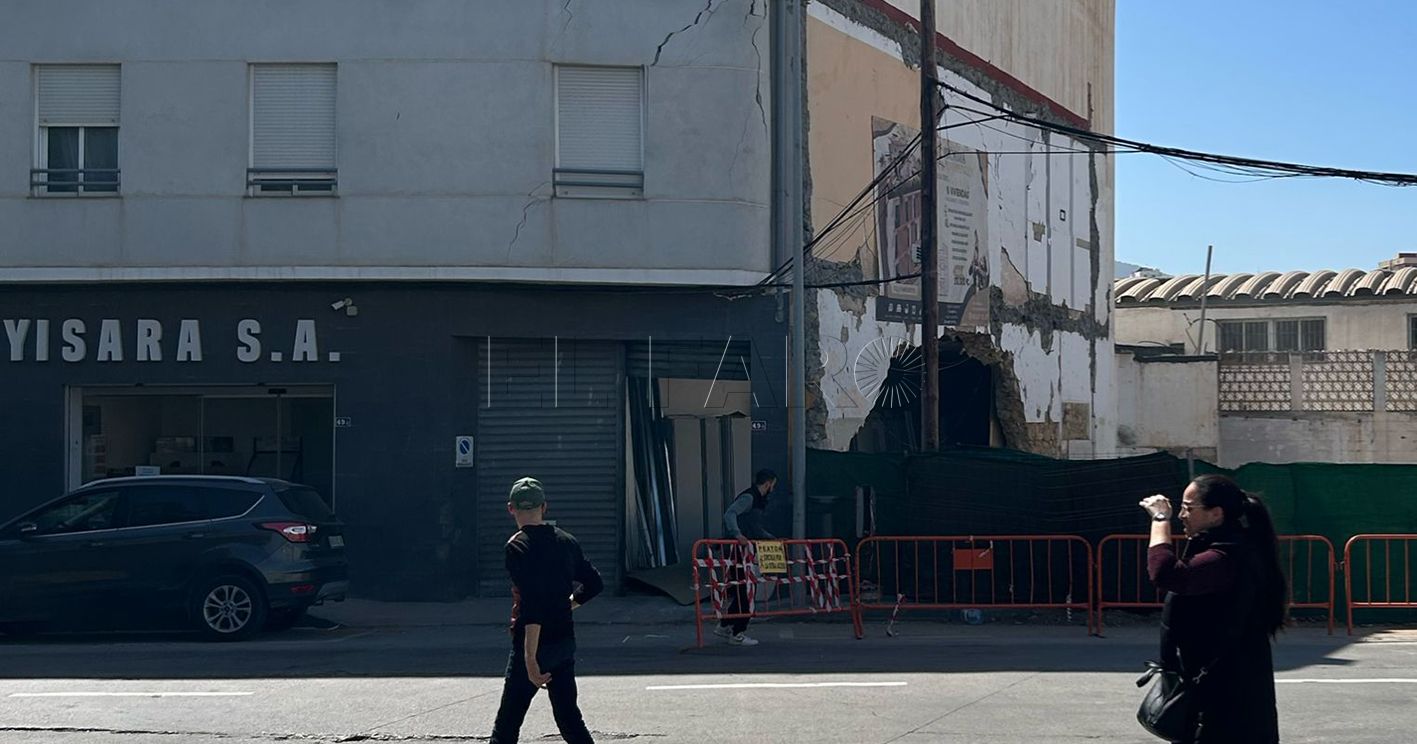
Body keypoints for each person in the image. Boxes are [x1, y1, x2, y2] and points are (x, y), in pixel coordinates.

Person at [1139, 474, 1286, 744]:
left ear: (1216, 513)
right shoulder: (1226, 547)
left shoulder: (1228, 556)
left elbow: (1166, 574)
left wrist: (1160, 520)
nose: (1180, 515)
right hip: (1219, 688)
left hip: (1229, 697)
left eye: (1188, 508)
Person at [489, 477, 603, 744]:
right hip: (563, 641)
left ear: (511, 508)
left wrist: (530, 658)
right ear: (544, 507)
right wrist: (566, 605)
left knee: (507, 724)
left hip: (533, 644)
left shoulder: (518, 546)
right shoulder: (566, 541)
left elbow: (533, 605)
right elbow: (594, 584)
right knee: (570, 720)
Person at [713, 468, 777, 647]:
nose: (773, 489)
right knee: (746, 591)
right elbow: (730, 514)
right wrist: (737, 534)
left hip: (744, 551)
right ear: (768, 483)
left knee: (743, 589)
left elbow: (754, 527)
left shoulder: (757, 500)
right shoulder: (749, 498)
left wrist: (771, 538)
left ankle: (725, 625)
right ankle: (737, 633)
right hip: (739, 551)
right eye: (773, 485)